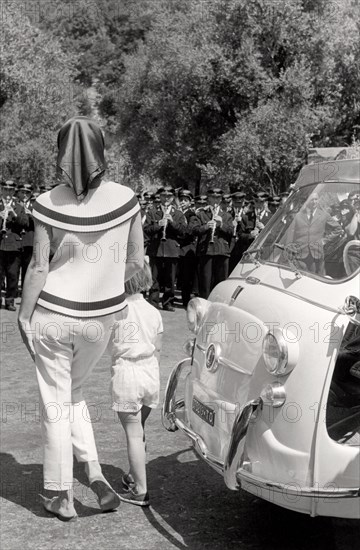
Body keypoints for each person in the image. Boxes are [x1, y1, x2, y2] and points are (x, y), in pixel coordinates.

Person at [18, 116, 144, 521]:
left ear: (61, 154)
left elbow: (39, 266)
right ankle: (94, 474)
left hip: (52, 314)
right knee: (71, 395)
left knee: (55, 404)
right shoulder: (127, 199)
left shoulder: (46, 202)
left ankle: (60, 494)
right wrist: (105, 288)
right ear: (101, 151)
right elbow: (137, 263)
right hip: (100, 321)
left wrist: (23, 314)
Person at [109, 260, 163, 506]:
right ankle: (133, 474)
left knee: (132, 432)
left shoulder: (116, 311)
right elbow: (159, 348)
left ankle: (140, 489)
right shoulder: (154, 312)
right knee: (139, 430)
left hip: (127, 372)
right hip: (150, 371)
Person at [144, 186, 186, 311]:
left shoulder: (178, 213)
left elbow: (183, 232)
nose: (166, 198)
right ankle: (153, 302)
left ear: (173, 198)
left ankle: (168, 302)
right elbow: (146, 230)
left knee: (170, 278)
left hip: (172, 250)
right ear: (160, 197)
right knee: (154, 278)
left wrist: (172, 222)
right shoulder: (151, 212)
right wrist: (158, 224)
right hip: (156, 249)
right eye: (163, 196)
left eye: (169, 196)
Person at [284, 192, 342, 275]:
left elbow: (338, 229)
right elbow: (290, 234)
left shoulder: (324, 215)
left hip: (316, 254)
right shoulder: (298, 216)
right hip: (299, 254)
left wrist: (324, 241)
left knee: (315, 278)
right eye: (312, 200)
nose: (314, 202)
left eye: (316, 199)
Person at [194, 188, 233, 299]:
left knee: (220, 282)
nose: (215, 200)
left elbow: (231, 232)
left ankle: (219, 304)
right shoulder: (201, 214)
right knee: (205, 281)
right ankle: (205, 303)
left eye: (218, 198)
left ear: (221, 199)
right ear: (209, 198)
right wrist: (206, 227)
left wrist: (221, 225)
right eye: (213, 197)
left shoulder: (226, 215)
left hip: (222, 251)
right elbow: (194, 230)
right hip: (206, 250)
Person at [0, 180, 29, 310]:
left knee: (12, 275)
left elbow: (25, 223)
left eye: (10, 190)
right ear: (2, 190)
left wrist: (14, 214)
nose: (8, 192)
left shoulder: (19, 206)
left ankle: (10, 301)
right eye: (5, 189)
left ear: (13, 192)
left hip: (14, 246)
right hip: (0, 244)